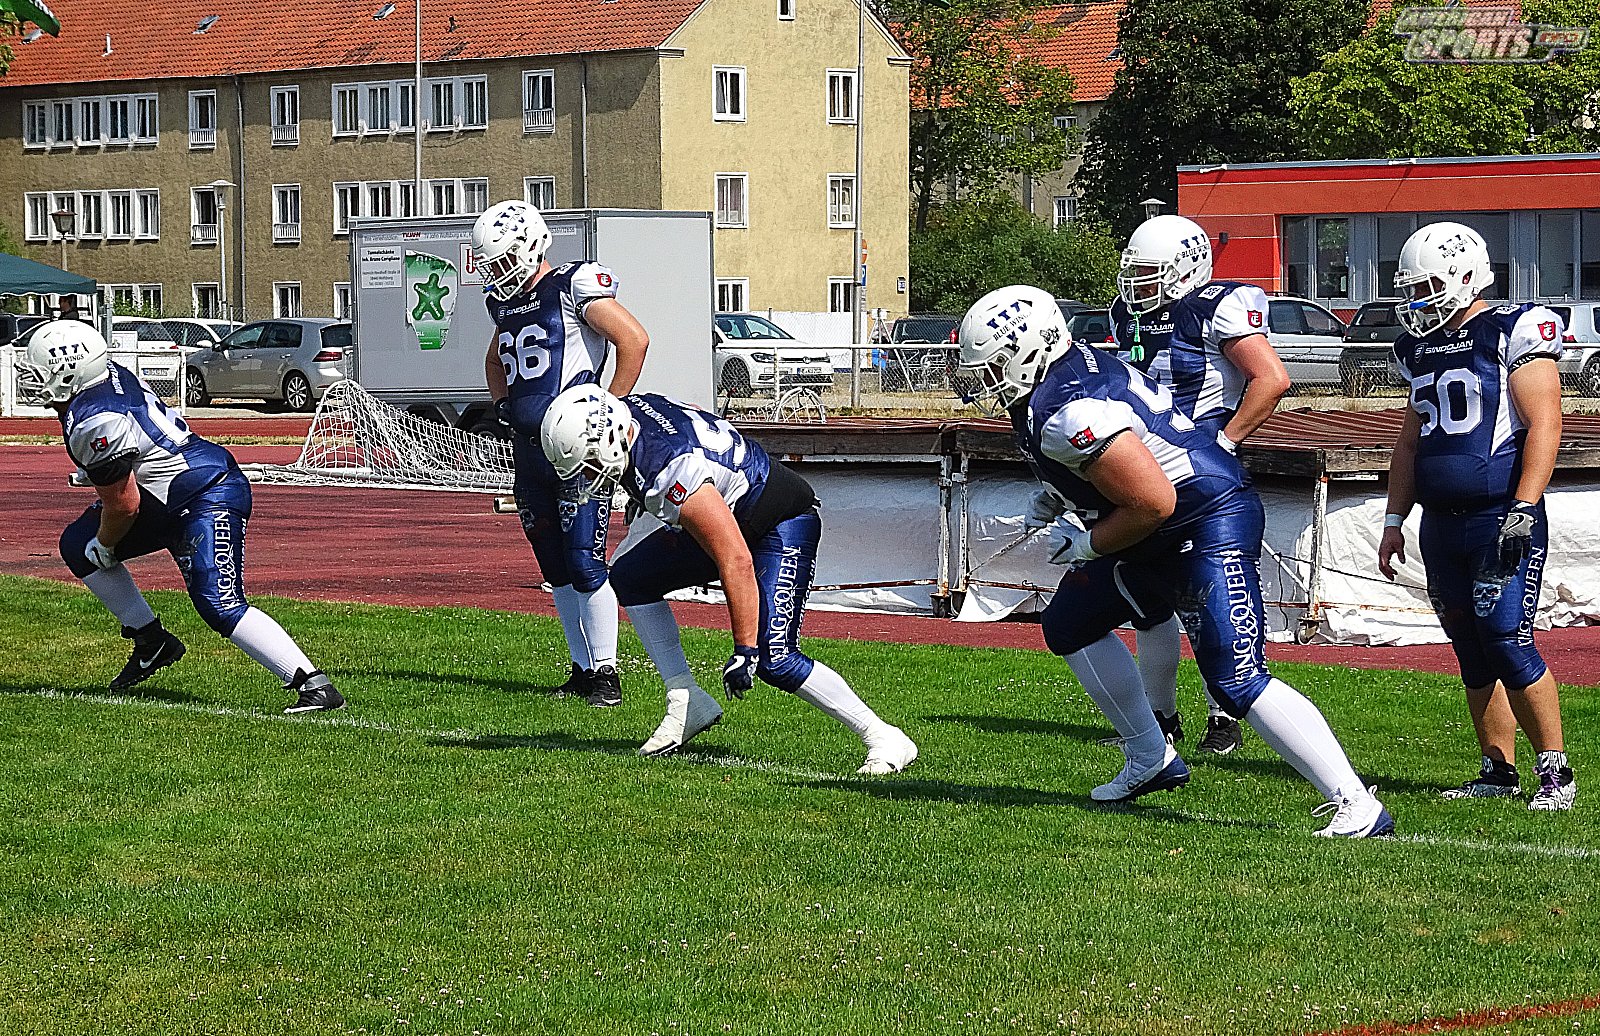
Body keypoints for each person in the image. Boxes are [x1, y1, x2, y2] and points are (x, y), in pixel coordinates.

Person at [959, 285, 1392, 836]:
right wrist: (1055, 497)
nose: (989, 379)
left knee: (1236, 680)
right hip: (1163, 520)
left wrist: (1089, 543)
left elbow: (1152, 500)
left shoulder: (1069, 411)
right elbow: (1119, 467)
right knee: (1070, 623)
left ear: (1030, 349)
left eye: (995, 364)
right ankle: (1150, 757)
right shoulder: (1068, 374)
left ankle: (1355, 801)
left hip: (1203, 516)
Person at [539, 385, 918, 773]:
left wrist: (744, 648)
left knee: (775, 659)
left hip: (777, 522)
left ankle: (884, 736)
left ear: (609, 438)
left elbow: (735, 559)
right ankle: (685, 699)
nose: (587, 476)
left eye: (587, 464)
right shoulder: (631, 411)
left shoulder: (669, 468)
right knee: (631, 578)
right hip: (735, 510)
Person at [16, 321, 343, 712]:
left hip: (207, 494)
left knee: (218, 604)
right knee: (76, 545)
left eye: (39, 372)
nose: (32, 380)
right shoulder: (106, 377)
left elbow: (124, 506)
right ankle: (151, 641)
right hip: (168, 493)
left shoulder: (95, 421)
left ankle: (314, 685)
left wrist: (106, 544)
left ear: (70, 369)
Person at [1378, 222, 1577, 811]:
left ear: (1468, 276)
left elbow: (1546, 422)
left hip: (1498, 516)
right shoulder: (1418, 347)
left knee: (1507, 639)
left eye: (1428, 286)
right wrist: (1393, 520)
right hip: (1441, 521)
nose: (1417, 302)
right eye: (1410, 290)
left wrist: (1525, 504)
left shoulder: (1514, 327)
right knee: (1470, 647)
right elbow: (1410, 445)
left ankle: (1555, 773)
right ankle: (1497, 769)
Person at [1093, 215, 1292, 756]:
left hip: (1202, 472)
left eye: (1151, 273)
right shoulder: (1127, 314)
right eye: (1134, 273)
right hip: (1149, 464)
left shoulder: (1219, 306)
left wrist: (1223, 442)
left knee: (1207, 597)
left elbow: (1271, 378)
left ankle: (1221, 713)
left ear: (1187, 268)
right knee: (1148, 599)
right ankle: (1160, 718)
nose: (1138, 285)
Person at [472, 200, 650, 708]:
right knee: (554, 567)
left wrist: (607, 407)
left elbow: (633, 339)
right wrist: (503, 403)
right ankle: (581, 667)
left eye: (503, 261)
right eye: (491, 265)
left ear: (531, 247)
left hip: (578, 448)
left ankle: (607, 673)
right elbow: (495, 357)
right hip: (529, 450)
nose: (497, 274)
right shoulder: (503, 303)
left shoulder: (574, 285)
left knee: (584, 561)